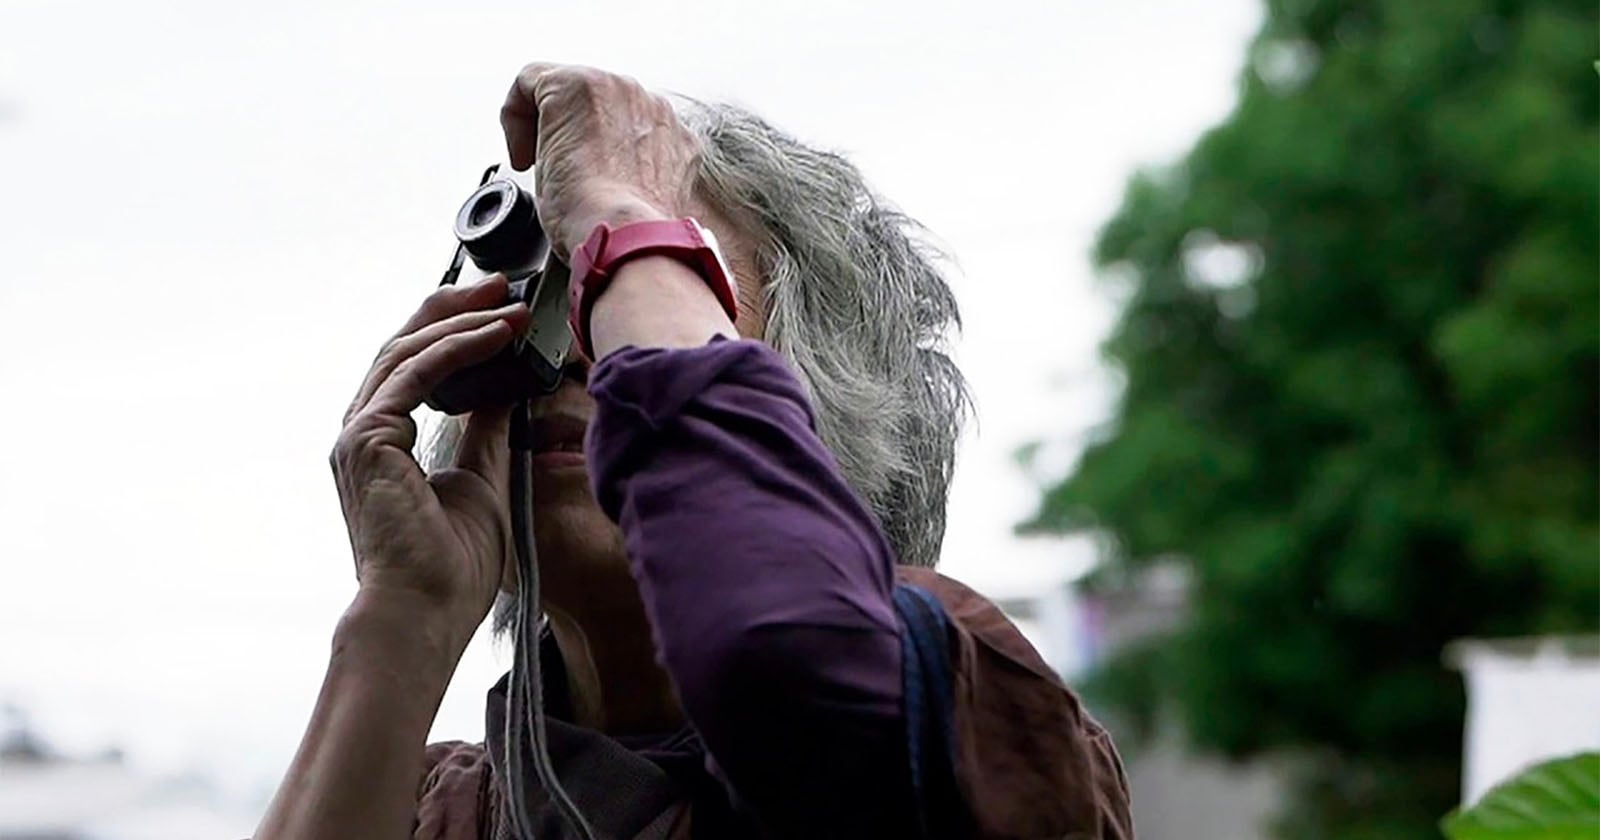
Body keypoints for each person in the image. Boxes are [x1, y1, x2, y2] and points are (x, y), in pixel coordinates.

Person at [254, 63, 1134, 840]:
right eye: (558, 291)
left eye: (630, 294)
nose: (570, 350)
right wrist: (399, 626)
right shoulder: (417, 807)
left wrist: (626, 218)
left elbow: (784, 660)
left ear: (809, 402)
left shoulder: (968, 709)